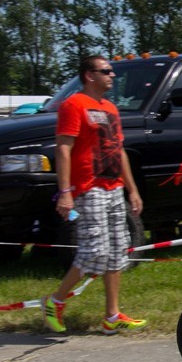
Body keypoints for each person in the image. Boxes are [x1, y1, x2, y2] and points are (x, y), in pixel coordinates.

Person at [41, 55, 146, 335]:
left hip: (113, 188)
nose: (112, 75)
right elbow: (63, 148)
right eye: (106, 71)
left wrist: (132, 190)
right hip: (88, 188)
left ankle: (112, 315)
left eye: (111, 71)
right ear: (89, 75)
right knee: (94, 253)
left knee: (117, 252)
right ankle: (54, 301)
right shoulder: (73, 104)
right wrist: (65, 192)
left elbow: (119, 150)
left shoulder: (110, 108)